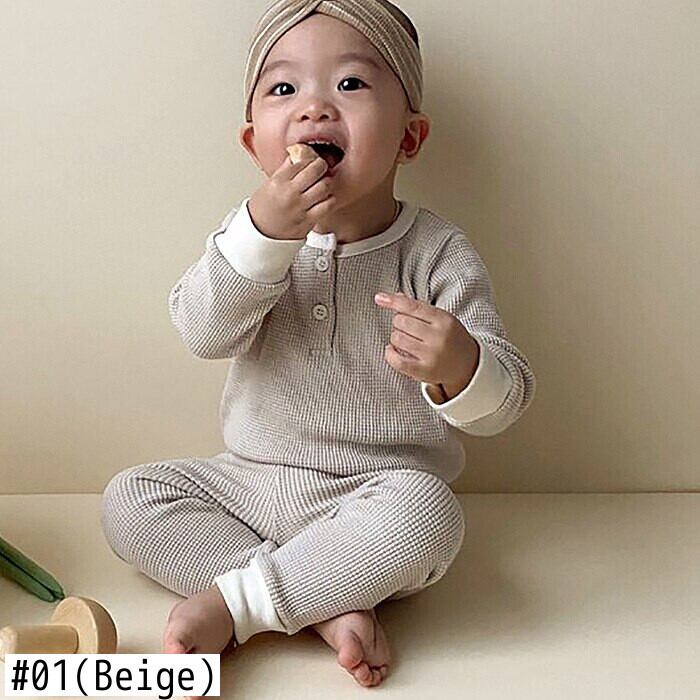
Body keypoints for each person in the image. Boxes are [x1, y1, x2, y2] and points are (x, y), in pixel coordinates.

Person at [101, 0, 536, 691]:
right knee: (130, 497)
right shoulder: (245, 241)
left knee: (431, 515)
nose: (313, 108)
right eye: (284, 88)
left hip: (375, 496)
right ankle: (325, 602)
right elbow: (201, 333)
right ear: (255, 145)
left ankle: (241, 605)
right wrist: (262, 239)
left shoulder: (435, 252)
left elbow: (504, 404)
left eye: (350, 84)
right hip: (248, 485)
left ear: (410, 137)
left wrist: (460, 366)